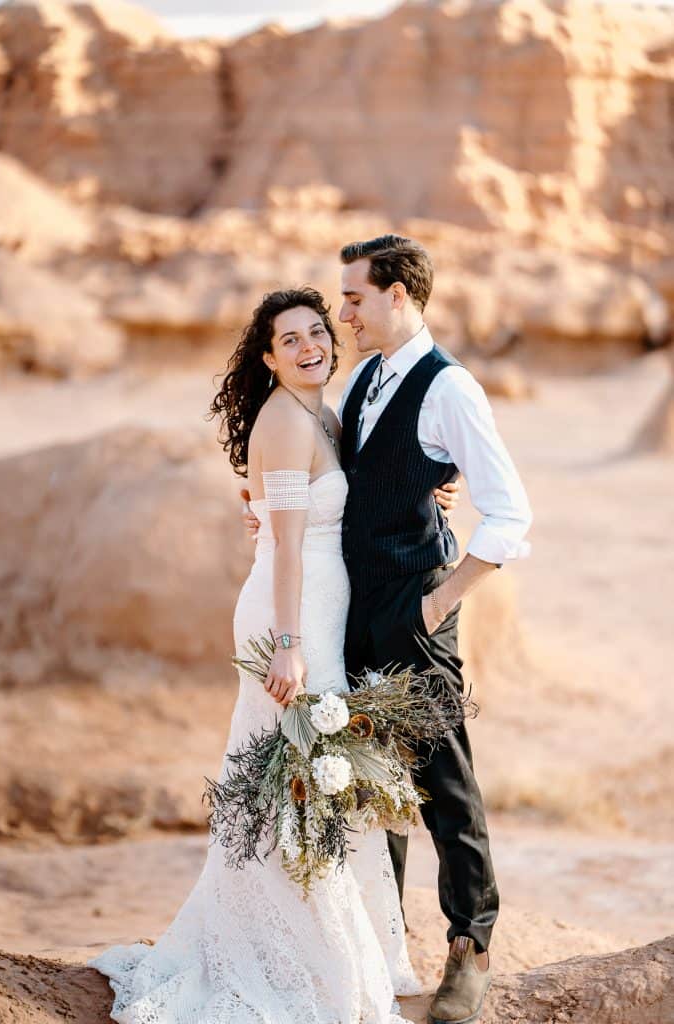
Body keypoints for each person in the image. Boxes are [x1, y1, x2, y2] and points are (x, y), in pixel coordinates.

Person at [87, 286, 421, 1024]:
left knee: (304, 787)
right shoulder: (282, 419)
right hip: (288, 617)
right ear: (268, 358)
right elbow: (290, 548)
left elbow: (321, 509)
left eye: (316, 333)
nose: (310, 347)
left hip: (317, 611)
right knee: (288, 787)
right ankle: (293, 958)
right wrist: (291, 647)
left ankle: (325, 947)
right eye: (290, 341)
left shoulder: (321, 413)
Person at [244, 235, 533, 1024]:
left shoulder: (451, 388)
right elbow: (338, 479)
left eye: (353, 299)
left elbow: (510, 514)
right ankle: (384, 944)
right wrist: (263, 518)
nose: (342, 315)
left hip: (412, 612)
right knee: (376, 786)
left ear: (398, 296)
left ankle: (470, 948)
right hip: (349, 617)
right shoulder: (366, 375)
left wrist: (439, 602)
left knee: (443, 785)